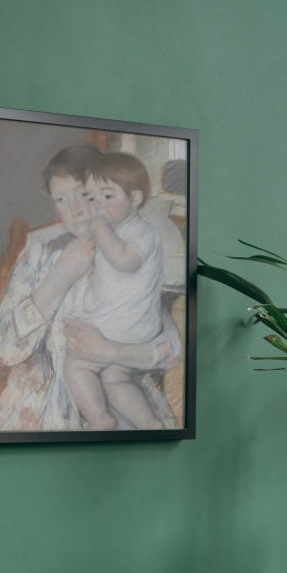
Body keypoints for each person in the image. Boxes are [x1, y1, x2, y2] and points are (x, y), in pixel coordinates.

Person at [0, 145, 180, 432]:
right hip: (41, 410)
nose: (76, 211)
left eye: (83, 195)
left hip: (122, 403)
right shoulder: (40, 255)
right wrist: (61, 275)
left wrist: (111, 351)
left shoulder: (131, 251)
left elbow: (172, 348)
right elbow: (2, 350)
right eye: (61, 200)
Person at [61, 152, 165, 430]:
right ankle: (149, 422)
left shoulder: (141, 231)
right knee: (115, 379)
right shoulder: (120, 228)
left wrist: (99, 227)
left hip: (120, 325)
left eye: (108, 197)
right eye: (92, 198)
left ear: (135, 199)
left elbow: (124, 261)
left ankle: (98, 418)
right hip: (135, 329)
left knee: (76, 366)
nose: (97, 206)